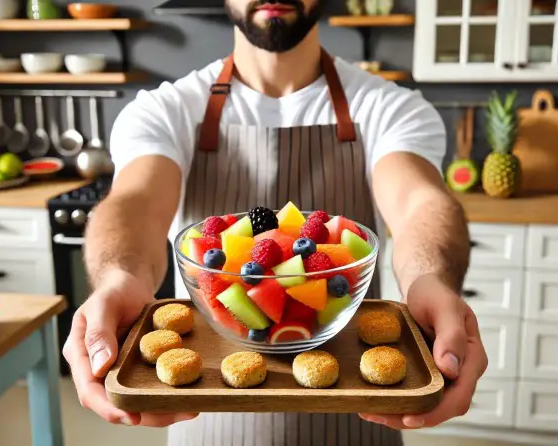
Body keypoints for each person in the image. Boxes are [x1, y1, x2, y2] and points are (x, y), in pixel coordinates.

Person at [62, 0, 488, 444]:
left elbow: (420, 203)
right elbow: (136, 203)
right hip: (207, 409)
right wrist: (119, 276)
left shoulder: (389, 106)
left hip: (356, 415)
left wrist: (430, 279)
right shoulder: (165, 108)